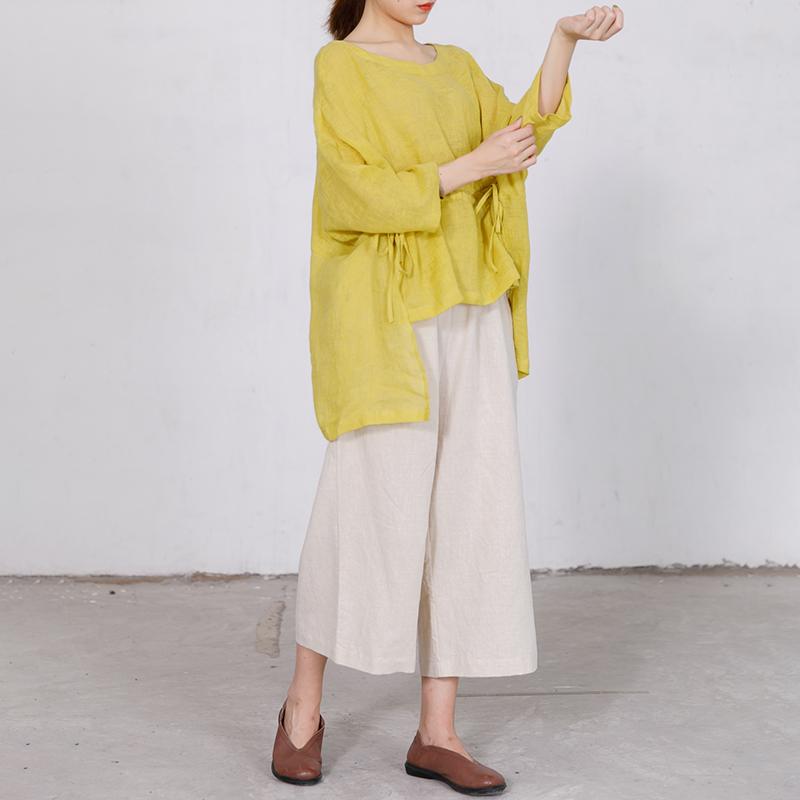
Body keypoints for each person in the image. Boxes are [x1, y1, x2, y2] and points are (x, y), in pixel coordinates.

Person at [271, 0, 623, 794]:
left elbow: (523, 135)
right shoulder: (341, 66)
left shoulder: (456, 66)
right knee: (363, 507)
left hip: (473, 305)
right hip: (389, 319)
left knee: (471, 506)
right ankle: (301, 711)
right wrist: (469, 166)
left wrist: (563, 41)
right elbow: (350, 194)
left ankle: (438, 732)